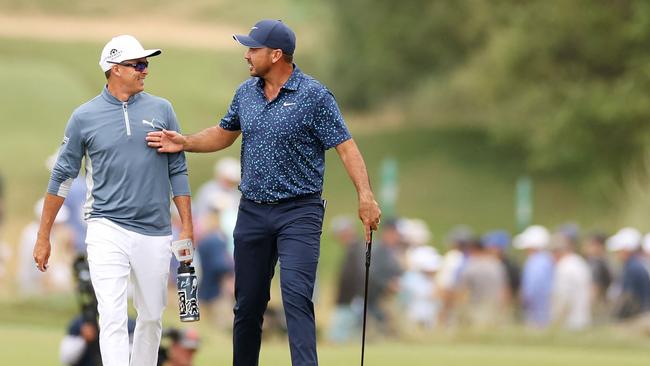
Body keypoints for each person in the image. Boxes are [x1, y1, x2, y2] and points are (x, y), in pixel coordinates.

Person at [146, 19, 381, 366]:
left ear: (276, 54)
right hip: (253, 211)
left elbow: (346, 147)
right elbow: (225, 133)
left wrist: (366, 196)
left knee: (296, 297)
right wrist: (186, 142)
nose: (247, 55)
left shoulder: (314, 96)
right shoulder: (246, 93)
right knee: (248, 303)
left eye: (253, 49)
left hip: (299, 212)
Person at [33, 35, 193, 366]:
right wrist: (43, 235)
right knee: (112, 314)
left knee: (151, 316)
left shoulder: (162, 110)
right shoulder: (84, 117)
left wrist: (187, 227)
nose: (145, 70)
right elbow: (62, 176)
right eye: (139, 64)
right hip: (107, 226)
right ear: (115, 69)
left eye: (146, 64)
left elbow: (178, 170)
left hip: (155, 229)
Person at [327, 216, 365, 342]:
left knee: (337, 338)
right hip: (347, 300)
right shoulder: (353, 249)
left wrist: (358, 296)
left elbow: (358, 275)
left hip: (350, 301)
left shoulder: (356, 250)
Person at [514, 225, 554, 328]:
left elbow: (533, 287)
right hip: (544, 308)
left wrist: (525, 300)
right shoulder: (545, 259)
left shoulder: (536, 262)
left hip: (537, 310)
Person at [607, 228, 650, 320]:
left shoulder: (632, 268)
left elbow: (628, 298)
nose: (616, 254)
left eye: (618, 251)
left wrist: (616, 317)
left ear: (626, 250)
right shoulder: (634, 265)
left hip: (639, 317)